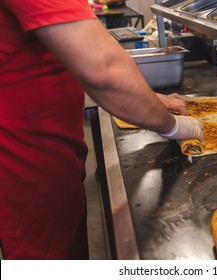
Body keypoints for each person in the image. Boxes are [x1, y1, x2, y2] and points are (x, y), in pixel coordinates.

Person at [0, 0, 203, 260]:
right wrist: (175, 126)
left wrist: (147, 99)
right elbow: (104, 70)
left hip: (46, 156)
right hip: (27, 167)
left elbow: (59, 53)